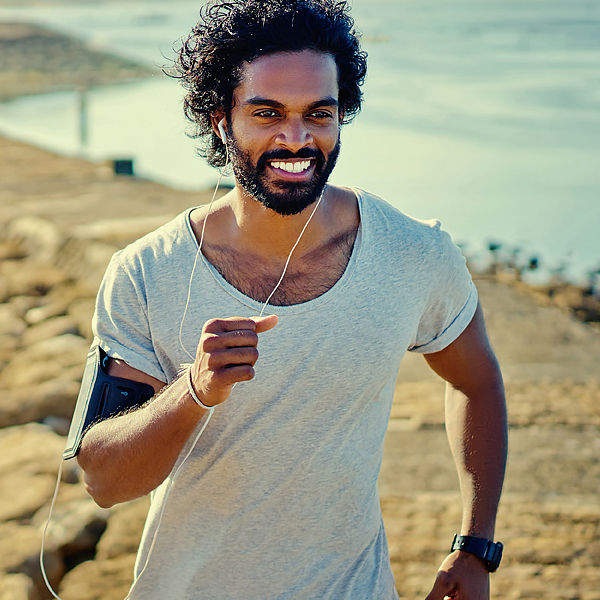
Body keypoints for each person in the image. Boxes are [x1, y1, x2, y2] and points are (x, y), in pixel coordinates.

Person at [76, 1, 508, 599]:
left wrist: (475, 547)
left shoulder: (416, 252)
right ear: (219, 120)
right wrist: (194, 391)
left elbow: (477, 381)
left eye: (319, 114)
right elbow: (104, 479)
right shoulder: (147, 272)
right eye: (267, 113)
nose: (297, 138)